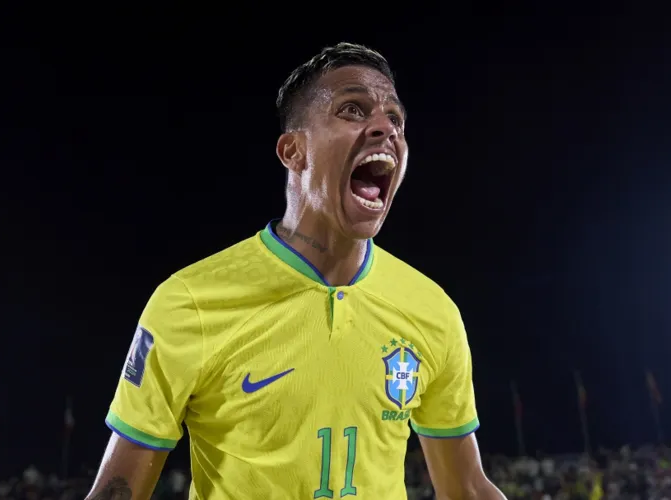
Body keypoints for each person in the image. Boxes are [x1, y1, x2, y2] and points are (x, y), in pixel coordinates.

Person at [85, 42, 506, 500]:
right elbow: (117, 490)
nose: (386, 128)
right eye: (353, 109)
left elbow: (466, 487)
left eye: (396, 119)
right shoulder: (189, 301)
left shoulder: (433, 311)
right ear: (293, 150)